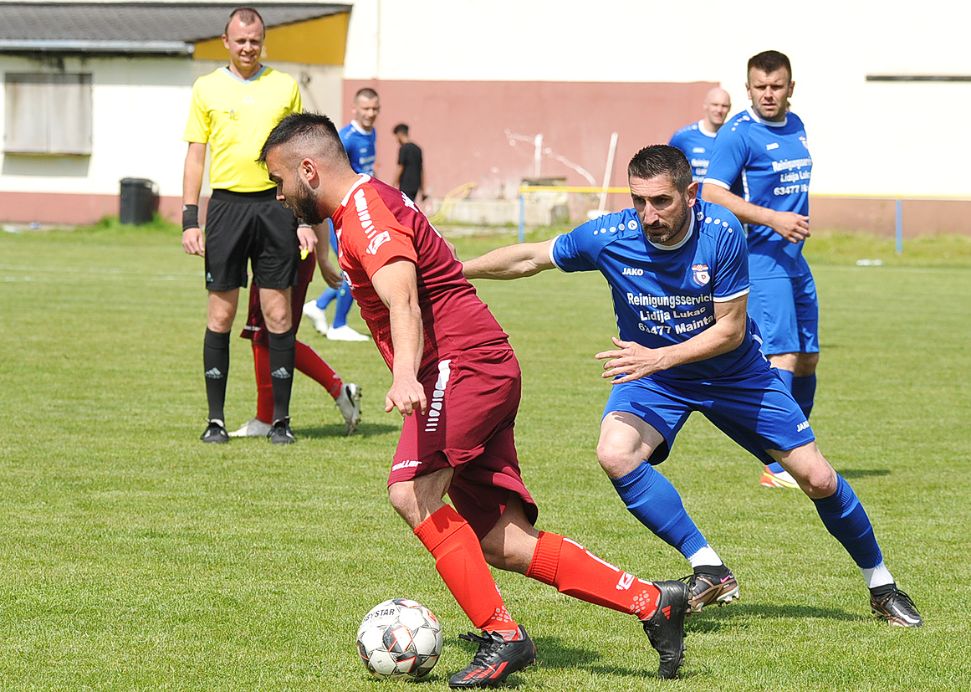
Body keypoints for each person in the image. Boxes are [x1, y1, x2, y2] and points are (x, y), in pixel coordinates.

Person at [260, 113, 692, 685]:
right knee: (500, 541)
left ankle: (503, 636)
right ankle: (653, 602)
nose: (279, 193)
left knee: (412, 492)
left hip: (461, 366)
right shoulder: (364, 206)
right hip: (476, 365)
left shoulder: (365, 212)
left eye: (279, 180)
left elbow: (403, 301)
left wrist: (405, 375)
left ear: (308, 169)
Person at [461, 144, 922, 629]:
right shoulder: (609, 235)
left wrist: (657, 356)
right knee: (616, 454)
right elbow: (531, 258)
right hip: (657, 377)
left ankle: (882, 586)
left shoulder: (722, 232)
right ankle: (710, 567)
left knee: (818, 479)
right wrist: (453, 269)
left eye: (661, 201)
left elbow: (731, 331)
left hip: (735, 374)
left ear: (691, 194)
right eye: (639, 201)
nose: (648, 214)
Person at [180, 6, 315, 445]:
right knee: (221, 314)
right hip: (226, 209)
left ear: (263, 42)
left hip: (276, 208)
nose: (247, 47)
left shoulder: (285, 86)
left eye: (254, 40)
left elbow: (299, 157)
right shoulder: (206, 88)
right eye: (240, 40)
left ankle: (281, 422)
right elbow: (196, 155)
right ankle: (215, 421)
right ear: (226, 41)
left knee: (279, 314)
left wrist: (303, 218)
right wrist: (189, 218)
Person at [702, 50, 816, 489]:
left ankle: (800, 451)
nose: (768, 94)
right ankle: (779, 465)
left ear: (790, 87)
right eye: (760, 87)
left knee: (807, 358)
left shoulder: (797, 125)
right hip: (762, 258)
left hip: (795, 259)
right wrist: (774, 219)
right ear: (748, 89)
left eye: (776, 86)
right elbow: (711, 193)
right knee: (782, 353)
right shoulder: (739, 134)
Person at [229, 246, 363, 438]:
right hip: (276, 255)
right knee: (266, 335)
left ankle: (266, 419)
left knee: (270, 336)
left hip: (285, 256)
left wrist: (323, 258)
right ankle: (266, 417)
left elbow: (314, 225)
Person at [302, 88, 381, 342]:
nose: (370, 113)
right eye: (366, 108)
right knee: (355, 269)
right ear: (355, 109)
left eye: (375, 108)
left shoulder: (372, 133)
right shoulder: (345, 138)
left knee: (358, 268)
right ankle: (338, 325)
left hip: (361, 209)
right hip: (341, 212)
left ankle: (319, 305)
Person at [668, 87, 735, 196]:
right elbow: (669, 172)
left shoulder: (734, 137)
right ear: (705, 105)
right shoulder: (683, 137)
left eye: (724, 106)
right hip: (694, 203)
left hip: (722, 204)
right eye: (715, 105)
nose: (719, 110)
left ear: (730, 108)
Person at [392, 122, 425, 203]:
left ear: (399, 134)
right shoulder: (418, 149)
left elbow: (400, 167)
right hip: (415, 186)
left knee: (403, 205)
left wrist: (393, 184)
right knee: (410, 205)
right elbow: (421, 170)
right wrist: (423, 190)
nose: (396, 140)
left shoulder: (403, 148)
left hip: (405, 185)